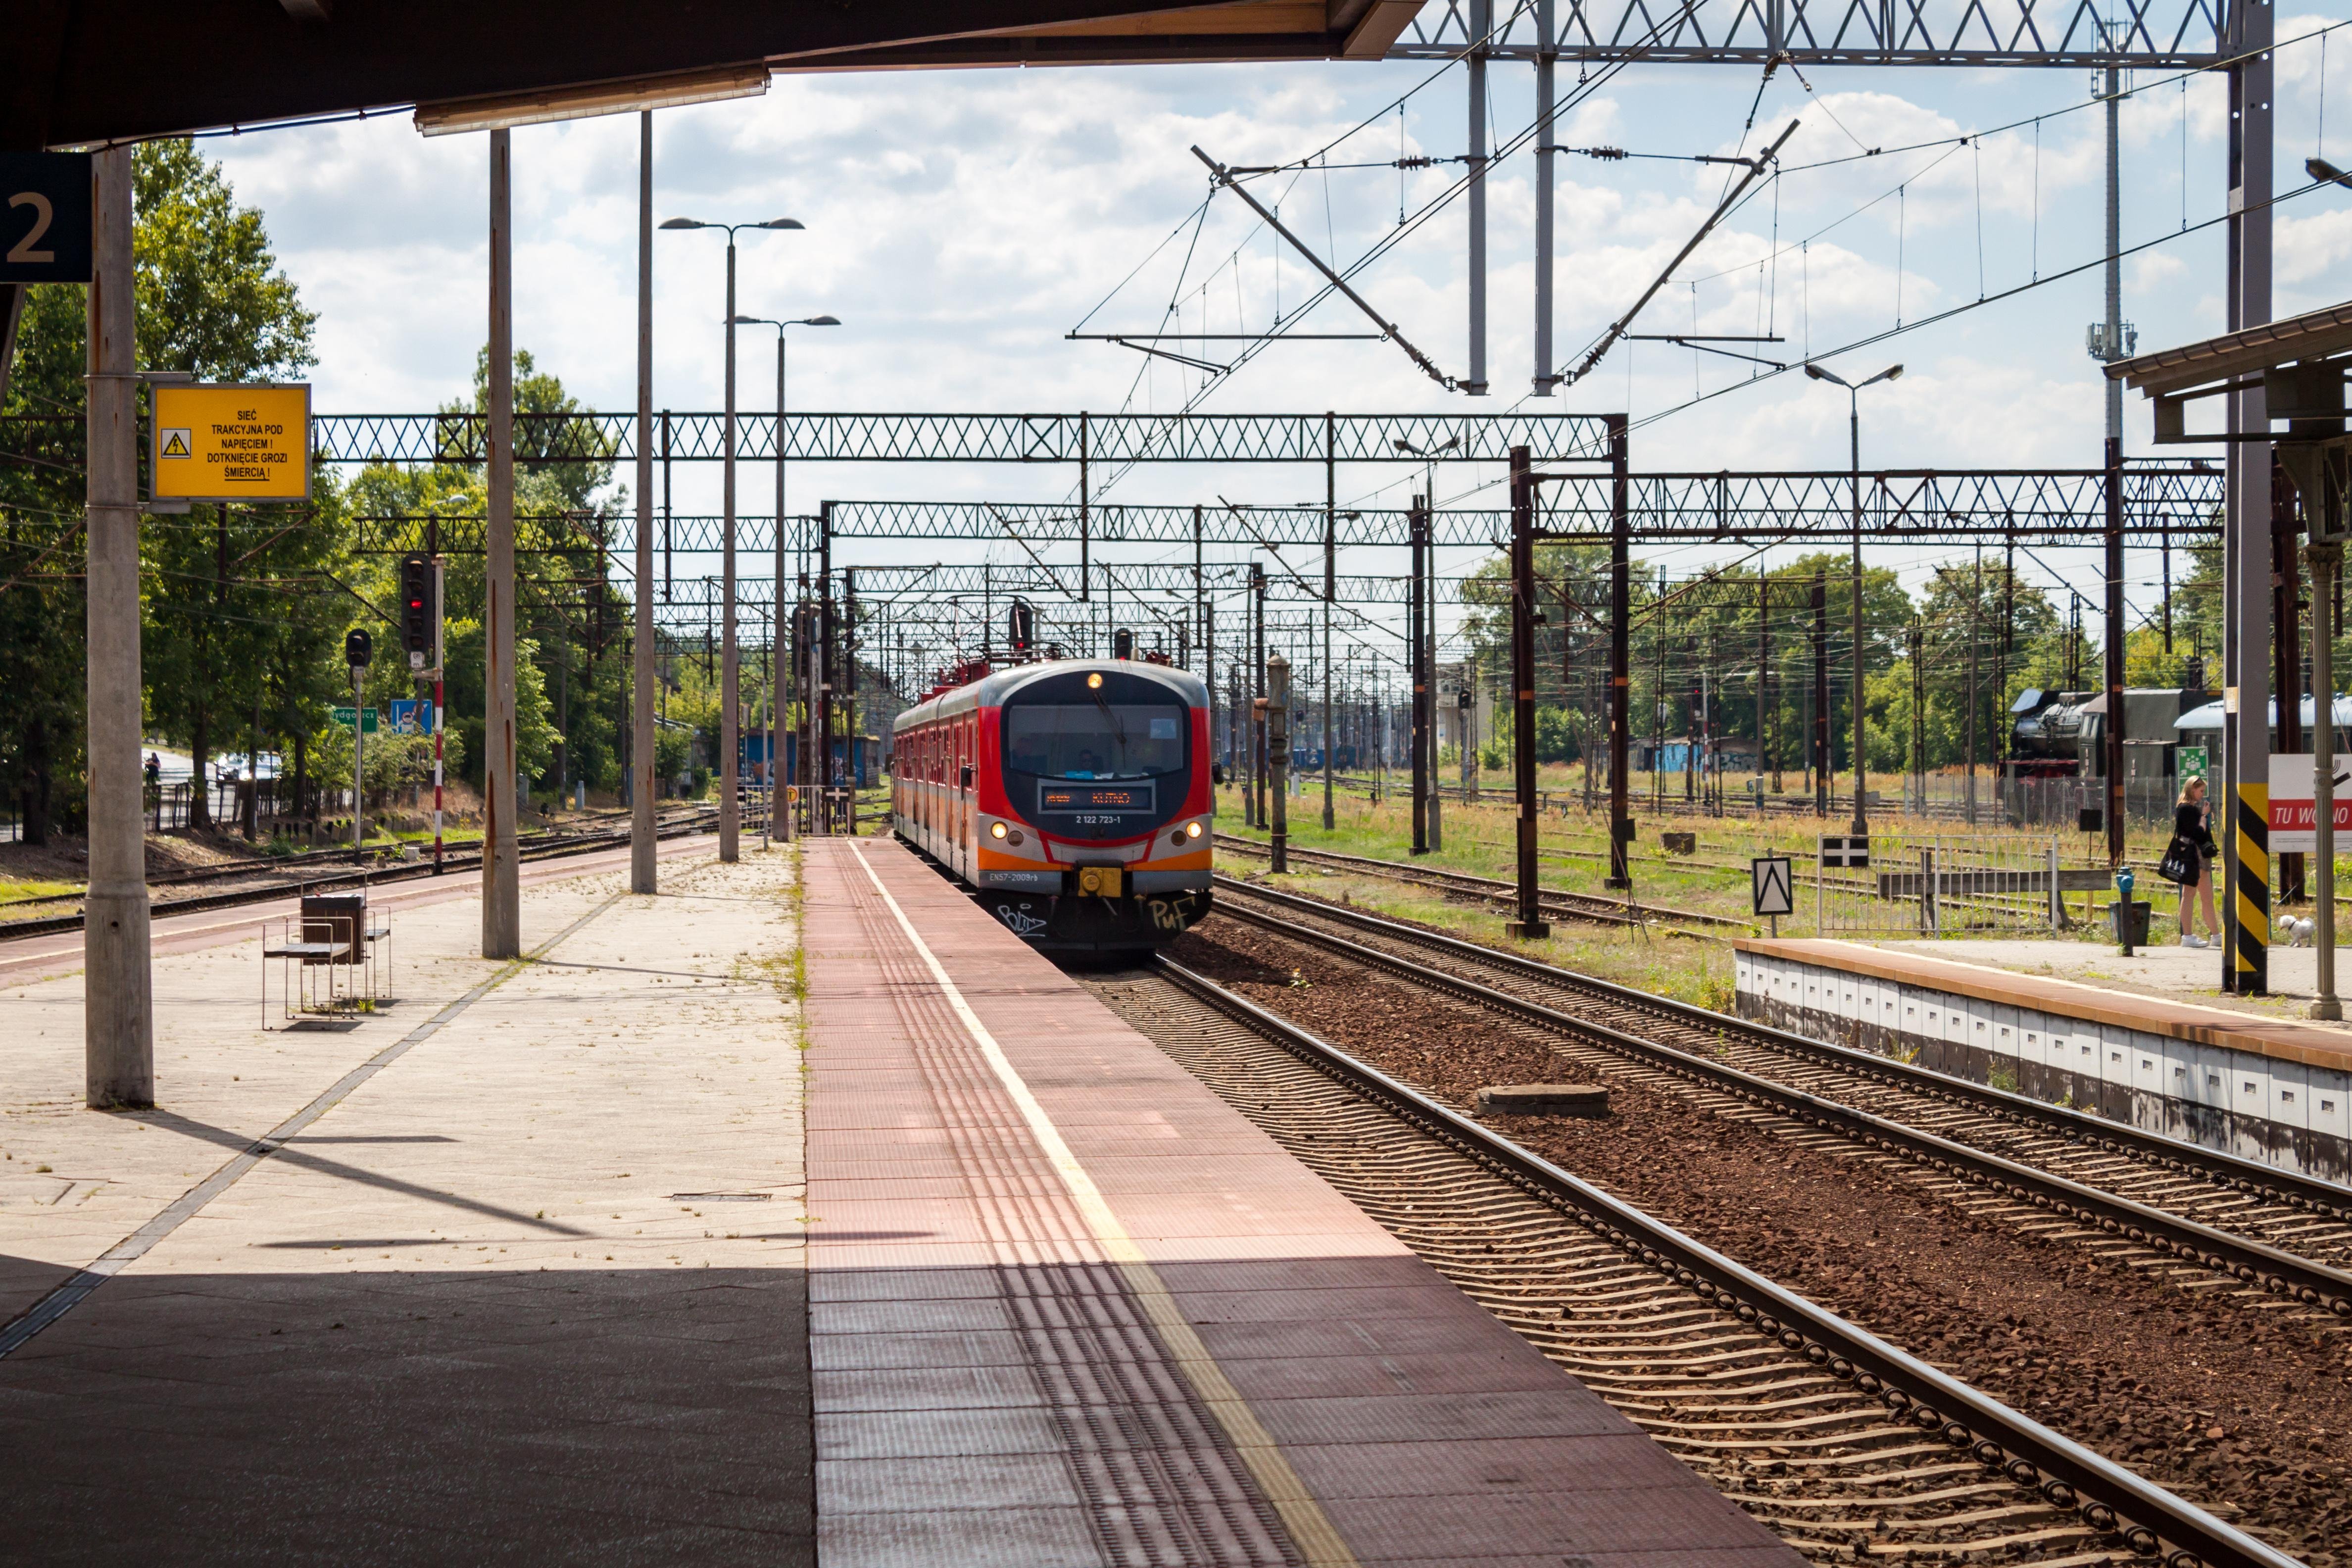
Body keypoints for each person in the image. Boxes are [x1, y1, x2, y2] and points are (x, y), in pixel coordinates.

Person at [2172, 776, 2221, 947]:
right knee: (2190, 894)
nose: (2202, 795)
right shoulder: (2187, 809)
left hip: (2200, 857)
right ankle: (2187, 936)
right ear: (2192, 789)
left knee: (2207, 897)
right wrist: (2204, 816)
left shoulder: (2187, 809)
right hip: (2194, 856)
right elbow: (2198, 833)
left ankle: (2216, 935)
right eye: (2201, 791)